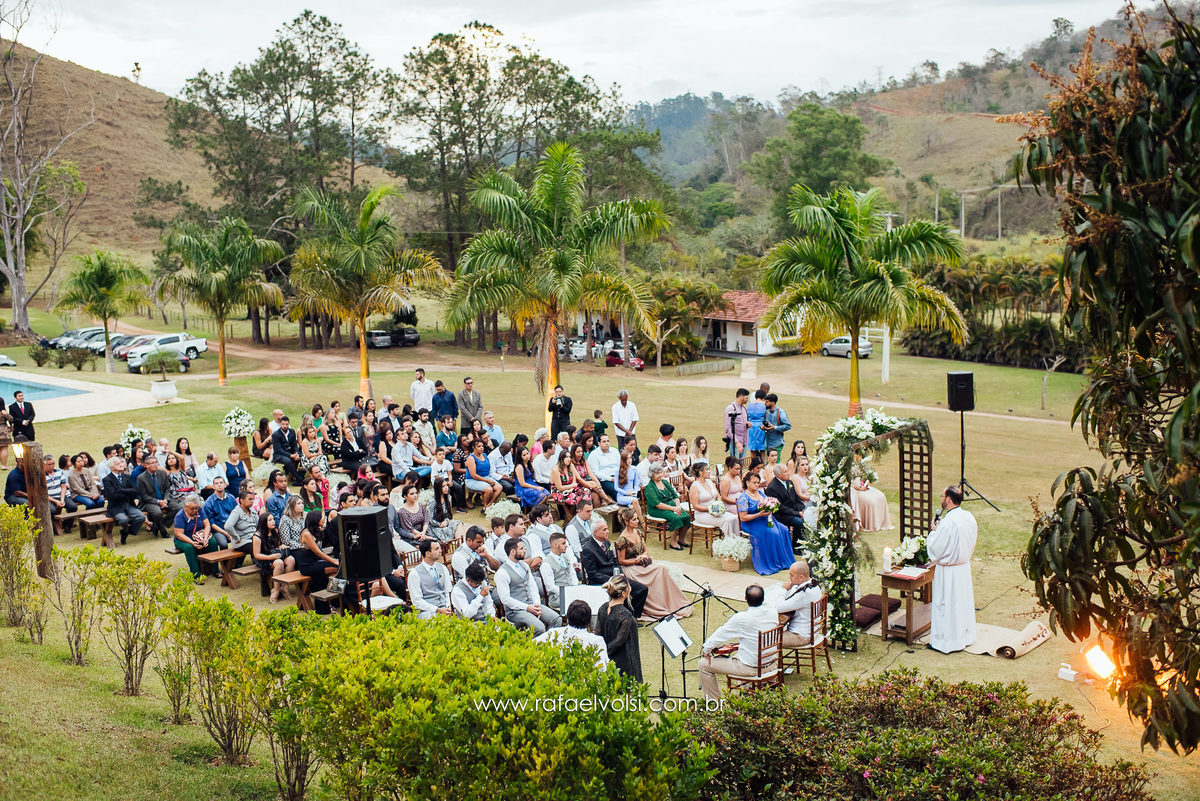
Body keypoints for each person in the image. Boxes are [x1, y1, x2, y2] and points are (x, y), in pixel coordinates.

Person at [698, 584, 778, 700]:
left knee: (703, 664)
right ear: (763, 598)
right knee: (740, 654)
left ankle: (713, 703)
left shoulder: (741, 618)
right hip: (772, 664)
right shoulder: (773, 611)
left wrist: (706, 649)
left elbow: (720, 634)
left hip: (752, 669)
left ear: (745, 598)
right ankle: (746, 688)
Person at [615, 509, 692, 620]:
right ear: (627, 522)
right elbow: (621, 561)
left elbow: (645, 550)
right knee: (658, 570)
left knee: (662, 569)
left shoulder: (638, 532)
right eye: (634, 519)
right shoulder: (622, 539)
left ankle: (667, 602)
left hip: (642, 564)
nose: (637, 521)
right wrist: (636, 561)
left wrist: (644, 556)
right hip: (631, 568)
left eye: (637, 518)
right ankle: (657, 606)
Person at [927, 485, 978, 653]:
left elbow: (936, 549)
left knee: (946, 605)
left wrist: (934, 531)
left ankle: (945, 641)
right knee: (961, 603)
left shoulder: (948, 522)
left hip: (948, 571)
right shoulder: (968, 516)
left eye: (942, 496)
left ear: (948, 499)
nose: (941, 499)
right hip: (963, 568)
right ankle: (964, 635)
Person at [579, 519, 648, 617]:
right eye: (604, 529)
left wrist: (620, 573)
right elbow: (592, 574)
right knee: (623, 591)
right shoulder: (588, 549)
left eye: (607, 529)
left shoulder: (607, 543)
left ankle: (632, 616)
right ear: (596, 532)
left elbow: (615, 561)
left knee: (642, 589)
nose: (608, 531)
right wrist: (612, 580)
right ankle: (623, 615)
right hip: (602, 580)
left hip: (616, 577)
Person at [495, 538, 561, 634]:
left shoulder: (524, 565)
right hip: (515, 611)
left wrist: (537, 605)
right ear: (513, 552)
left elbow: (532, 586)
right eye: (521, 548)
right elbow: (505, 599)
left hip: (532, 605)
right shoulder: (502, 573)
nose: (525, 550)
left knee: (557, 619)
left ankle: (549, 641)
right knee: (539, 628)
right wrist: (527, 607)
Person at [738, 471, 793, 576]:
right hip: (752, 523)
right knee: (773, 533)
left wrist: (772, 507)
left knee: (784, 529)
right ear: (747, 483)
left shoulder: (760, 493)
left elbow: (768, 503)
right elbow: (743, 518)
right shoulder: (743, 498)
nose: (757, 485)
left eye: (758, 482)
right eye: (754, 482)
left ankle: (782, 559)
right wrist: (759, 515)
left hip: (766, 519)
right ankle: (772, 561)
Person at [536, 600, 609, 668]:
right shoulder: (596, 641)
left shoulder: (553, 633)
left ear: (567, 618)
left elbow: (532, 645)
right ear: (589, 621)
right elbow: (602, 668)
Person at [596, 575, 641, 681]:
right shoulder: (626, 616)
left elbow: (597, 633)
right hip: (624, 664)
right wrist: (605, 653)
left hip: (606, 661)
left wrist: (602, 653)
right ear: (624, 593)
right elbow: (618, 642)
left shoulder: (603, 608)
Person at [293, 510, 339, 611]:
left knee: (337, 571)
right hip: (307, 565)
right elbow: (318, 552)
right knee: (336, 568)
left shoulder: (317, 530)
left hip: (316, 561)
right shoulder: (306, 533)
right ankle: (327, 603)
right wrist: (333, 561)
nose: (323, 519)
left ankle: (335, 600)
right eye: (321, 517)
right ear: (315, 519)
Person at [774, 560, 823, 647]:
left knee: (765, 640)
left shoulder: (804, 593)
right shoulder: (813, 584)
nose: (789, 577)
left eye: (792, 575)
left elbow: (779, 607)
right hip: (811, 631)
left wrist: (783, 590)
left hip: (801, 635)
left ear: (801, 577)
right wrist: (792, 586)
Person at [643, 465, 691, 549]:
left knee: (686, 516)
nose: (660, 475)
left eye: (660, 472)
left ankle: (681, 539)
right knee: (675, 518)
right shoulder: (649, 487)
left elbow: (675, 495)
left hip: (672, 505)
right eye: (657, 473)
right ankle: (673, 542)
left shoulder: (664, 482)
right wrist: (674, 509)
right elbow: (658, 504)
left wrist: (678, 506)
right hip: (656, 509)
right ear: (651, 474)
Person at [173, 493, 218, 584]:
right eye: (192, 508)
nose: (194, 510)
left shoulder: (200, 510)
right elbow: (179, 534)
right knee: (190, 548)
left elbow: (207, 525)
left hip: (199, 536)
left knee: (212, 542)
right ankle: (196, 575)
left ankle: (215, 570)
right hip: (183, 539)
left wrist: (205, 538)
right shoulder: (180, 516)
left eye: (196, 508)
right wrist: (192, 542)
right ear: (186, 507)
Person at [688, 462, 740, 538]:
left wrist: (719, 505)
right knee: (727, 520)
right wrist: (710, 509)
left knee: (734, 518)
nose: (709, 471)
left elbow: (718, 496)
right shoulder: (694, 486)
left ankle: (737, 539)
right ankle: (730, 541)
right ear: (700, 472)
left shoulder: (709, 482)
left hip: (716, 511)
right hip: (702, 514)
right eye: (707, 469)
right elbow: (695, 506)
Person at [102, 457, 146, 544]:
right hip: (116, 506)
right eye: (118, 464)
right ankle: (125, 529)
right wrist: (128, 492)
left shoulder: (127, 477)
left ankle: (127, 531)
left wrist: (121, 490)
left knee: (141, 517)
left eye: (121, 463)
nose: (121, 465)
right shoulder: (107, 479)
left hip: (128, 504)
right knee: (123, 520)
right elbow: (112, 496)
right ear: (112, 467)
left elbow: (136, 490)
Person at [253, 510, 292, 604]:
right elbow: (256, 554)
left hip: (275, 555)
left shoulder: (275, 531)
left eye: (273, 519)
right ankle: (276, 590)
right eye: (270, 520)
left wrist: (281, 546)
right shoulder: (257, 536)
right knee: (279, 563)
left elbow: (277, 545)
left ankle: (285, 587)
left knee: (291, 560)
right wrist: (271, 557)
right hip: (264, 558)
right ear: (264, 522)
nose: (273, 521)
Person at [763, 463, 805, 548]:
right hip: (781, 515)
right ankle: (796, 546)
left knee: (807, 516)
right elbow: (780, 507)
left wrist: (802, 509)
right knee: (799, 522)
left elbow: (796, 498)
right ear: (779, 475)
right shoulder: (772, 487)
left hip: (792, 511)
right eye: (785, 472)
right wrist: (797, 513)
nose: (788, 473)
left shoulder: (789, 482)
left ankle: (803, 542)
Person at [410, 540, 454, 620]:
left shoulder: (443, 568)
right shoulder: (414, 573)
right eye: (437, 549)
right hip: (427, 611)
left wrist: (448, 606)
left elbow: (448, 591)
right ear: (428, 553)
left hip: (445, 607)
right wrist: (437, 610)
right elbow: (417, 601)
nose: (440, 551)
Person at [539, 530, 582, 612]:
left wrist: (575, 589)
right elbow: (550, 587)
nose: (566, 546)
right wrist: (567, 593)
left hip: (571, 591)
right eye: (563, 543)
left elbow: (572, 574)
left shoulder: (565, 557)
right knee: (579, 604)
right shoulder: (546, 564)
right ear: (555, 545)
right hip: (557, 597)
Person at [137, 455, 176, 539]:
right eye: (152, 463)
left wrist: (165, 500)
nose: (155, 464)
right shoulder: (141, 478)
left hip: (164, 499)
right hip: (149, 502)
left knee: (178, 508)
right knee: (157, 513)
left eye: (156, 462)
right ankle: (163, 531)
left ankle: (160, 524)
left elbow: (168, 489)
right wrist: (158, 502)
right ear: (147, 465)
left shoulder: (162, 473)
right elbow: (144, 496)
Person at [850, 467, 893, 531]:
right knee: (871, 501)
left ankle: (881, 522)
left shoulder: (861, 465)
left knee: (881, 496)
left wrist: (866, 483)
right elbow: (851, 483)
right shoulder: (848, 466)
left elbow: (864, 476)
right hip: (854, 490)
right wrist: (860, 488)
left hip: (863, 486)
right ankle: (872, 525)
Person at [465, 437, 504, 506]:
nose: (481, 448)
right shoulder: (471, 458)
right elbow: (473, 475)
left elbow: (489, 469)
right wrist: (487, 481)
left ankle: (488, 505)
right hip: (472, 480)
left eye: (482, 446)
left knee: (499, 487)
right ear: (473, 447)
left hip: (486, 477)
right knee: (489, 490)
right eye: (479, 446)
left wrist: (499, 474)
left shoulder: (485, 455)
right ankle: (485, 505)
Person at [392, 484, 431, 550]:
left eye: (416, 493)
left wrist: (424, 533)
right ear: (405, 496)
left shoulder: (420, 505)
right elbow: (410, 528)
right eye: (412, 494)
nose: (415, 495)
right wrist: (423, 536)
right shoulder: (402, 511)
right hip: (413, 536)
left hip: (424, 532)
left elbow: (426, 520)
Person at [223, 488, 259, 558]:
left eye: (252, 499)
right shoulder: (236, 512)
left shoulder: (252, 510)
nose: (252, 501)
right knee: (256, 548)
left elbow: (259, 524)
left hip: (253, 538)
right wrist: (236, 537)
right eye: (249, 499)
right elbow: (228, 526)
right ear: (242, 500)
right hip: (242, 541)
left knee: (265, 545)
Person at [512, 445, 550, 510]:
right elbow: (522, 483)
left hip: (531, 483)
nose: (527, 456)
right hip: (523, 488)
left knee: (548, 494)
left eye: (527, 453)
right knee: (542, 496)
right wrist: (536, 487)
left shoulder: (529, 464)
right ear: (520, 457)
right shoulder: (519, 467)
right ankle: (534, 511)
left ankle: (538, 509)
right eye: (524, 455)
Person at [586, 434, 620, 501]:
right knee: (615, 490)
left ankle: (632, 502)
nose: (607, 443)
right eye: (604, 441)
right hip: (604, 480)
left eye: (608, 441)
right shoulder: (594, 455)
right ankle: (624, 504)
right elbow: (595, 473)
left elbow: (620, 466)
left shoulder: (615, 451)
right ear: (599, 443)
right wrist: (611, 479)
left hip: (617, 476)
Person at [43, 455, 76, 520]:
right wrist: (56, 501)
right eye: (49, 464)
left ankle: (67, 524)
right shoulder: (41, 475)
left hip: (60, 496)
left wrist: (62, 500)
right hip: (49, 498)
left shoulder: (59, 472)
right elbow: (43, 493)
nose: (51, 466)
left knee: (73, 507)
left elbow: (63, 487)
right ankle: (53, 525)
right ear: (44, 465)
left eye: (53, 463)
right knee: (52, 510)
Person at [271, 416, 303, 483]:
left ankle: (300, 473)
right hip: (279, 455)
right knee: (288, 461)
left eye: (286, 424)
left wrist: (296, 453)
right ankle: (299, 478)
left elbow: (294, 445)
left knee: (302, 456)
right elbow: (278, 449)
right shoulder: (275, 435)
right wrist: (290, 455)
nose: (285, 426)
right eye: (283, 424)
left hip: (290, 452)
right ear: (280, 424)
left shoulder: (292, 431)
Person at [427, 477, 458, 542]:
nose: (446, 488)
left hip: (445, 523)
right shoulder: (432, 501)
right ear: (438, 488)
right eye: (443, 486)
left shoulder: (449, 497)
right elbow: (429, 519)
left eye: (446, 485)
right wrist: (440, 524)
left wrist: (446, 521)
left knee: (458, 524)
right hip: (435, 527)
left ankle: (461, 545)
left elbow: (449, 514)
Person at [763, 394, 792, 461]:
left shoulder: (781, 412)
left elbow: (788, 426)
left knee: (775, 464)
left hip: (776, 443)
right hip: (767, 443)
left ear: (773, 403)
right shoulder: (766, 412)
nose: (765, 403)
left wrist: (775, 427)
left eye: (767, 402)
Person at [724, 388, 749, 460]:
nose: (747, 400)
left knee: (742, 464)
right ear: (741, 397)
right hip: (735, 443)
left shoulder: (744, 408)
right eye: (746, 398)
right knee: (735, 463)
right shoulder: (731, 408)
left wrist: (747, 425)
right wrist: (737, 443)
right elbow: (728, 428)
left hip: (744, 443)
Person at [614, 452, 642, 516]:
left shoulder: (634, 469)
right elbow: (616, 487)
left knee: (632, 507)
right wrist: (626, 493)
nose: (629, 460)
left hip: (632, 495)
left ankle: (625, 515)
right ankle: (642, 521)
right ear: (623, 460)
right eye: (627, 459)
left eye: (630, 458)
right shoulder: (618, 470)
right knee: (635, 501)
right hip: (622, 496)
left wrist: (634, 493)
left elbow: (636, 484)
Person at [745, 389, 767, 460]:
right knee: (762, 449)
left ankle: (753, 464)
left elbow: (747, 415)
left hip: (751, 427)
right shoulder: (764, 405)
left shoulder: (750, 405)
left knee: (752, 449)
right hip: (761, 427)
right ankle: (763, 464)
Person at [0, 396, 12, 469]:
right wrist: (6, 414)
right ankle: (4, 465)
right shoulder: (2, 412)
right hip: (2, 431)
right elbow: (11, 419)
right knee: (4, 447)